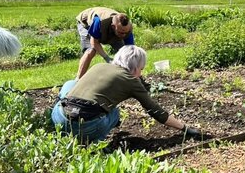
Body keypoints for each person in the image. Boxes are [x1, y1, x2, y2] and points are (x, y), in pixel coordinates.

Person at [52, 45, 203, 144]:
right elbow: (155, 111)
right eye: (141, 69)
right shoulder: (131, 80)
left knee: (70, 84)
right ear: (136, 67)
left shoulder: (99, 65)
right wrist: (184, 128)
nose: (141, 73)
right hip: (87, 126)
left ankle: (61, 131)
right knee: (114, 113)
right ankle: (93, 143)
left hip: (59, 116)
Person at [76, 7, 134, 79]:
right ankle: (78, 80)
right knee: (91, 51)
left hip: (109, 30)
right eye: (121, 32)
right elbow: (94, 42)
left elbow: (131, 51)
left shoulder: (127, 29)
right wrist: (107, 58)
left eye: (126, 32)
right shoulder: (99, 21)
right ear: (113, 27)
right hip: (86, 23)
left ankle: (129, 78)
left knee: (125, 52)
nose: (124, 35)